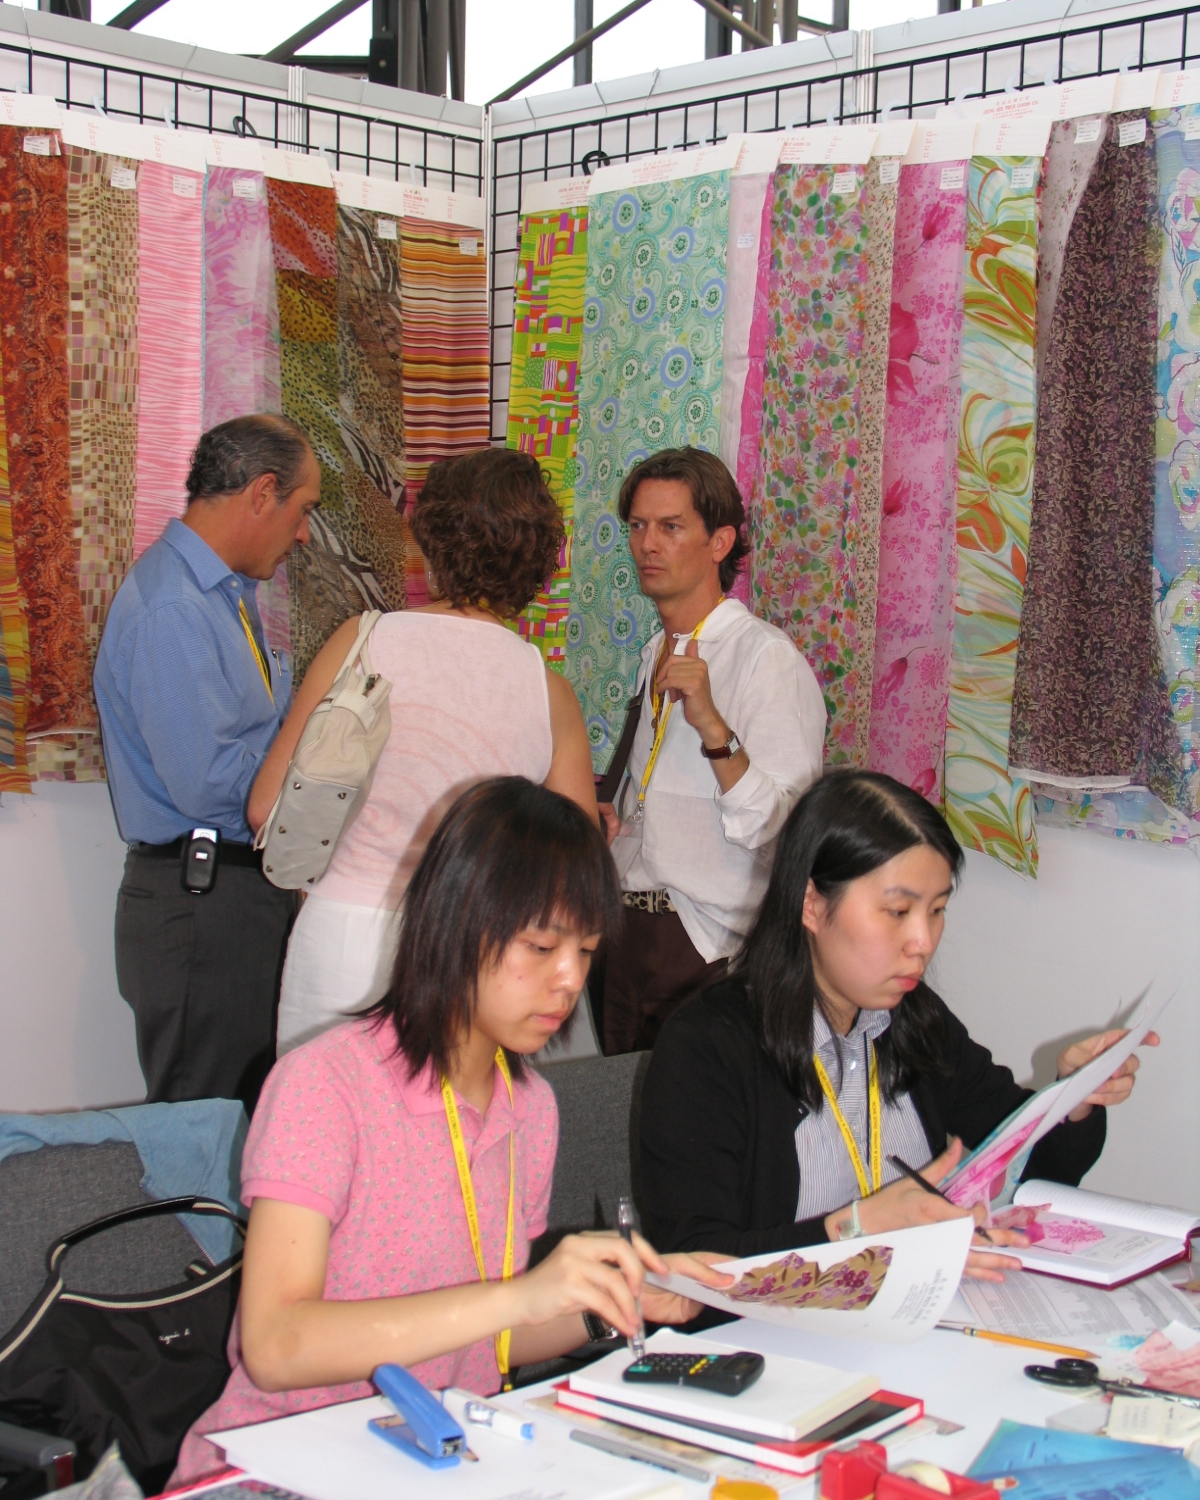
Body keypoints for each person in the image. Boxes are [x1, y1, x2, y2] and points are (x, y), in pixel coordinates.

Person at [172, 778, 732, 1484]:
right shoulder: (325, 1085)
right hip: (281, 1469)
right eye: (541, 945)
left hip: (439, 1462)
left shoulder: (530, 1108)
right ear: (456, 923)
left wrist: (606, 1306)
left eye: (586, 950)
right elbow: (276, 1347)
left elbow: (487, 1338)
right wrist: (519, 1295)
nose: (569, 979)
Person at [640, 770, 1156, 1277]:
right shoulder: (708, 1045)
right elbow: (690, 1269)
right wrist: (855, 1231)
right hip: (775, 1326)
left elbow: (1035, 1166)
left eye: (937, 910)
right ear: (811, 904)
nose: (923, 942)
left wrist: (1073, 1097)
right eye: (897, 911)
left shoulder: (913, 1020)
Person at [250, 447, 598, 1056]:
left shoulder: (360, 642)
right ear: (538, 561)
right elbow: (575, 865)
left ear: (432, 539)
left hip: (342, 938)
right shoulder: (547, 691)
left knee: (321, 1112)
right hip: (470, 952)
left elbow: (264, 809)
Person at [94, 415, 322, 1110]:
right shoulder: (174, 609)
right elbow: (211, 784)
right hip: (205, 907)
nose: (303, 534)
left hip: (234, 900)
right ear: (262, 492)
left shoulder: (224, 599)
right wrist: (322, 775)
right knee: (206, 1137)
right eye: (303, 509)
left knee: (251, 1130)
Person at [596, 447, 826, 1055]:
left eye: (671, 527)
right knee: (621, 1108)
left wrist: (715, 731)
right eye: (638, 526)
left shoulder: (765, 659)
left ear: (720, 542)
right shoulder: (655, 652)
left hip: (707, 950)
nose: (647, 545)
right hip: (625, 934)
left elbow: (787, 833)